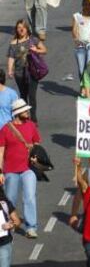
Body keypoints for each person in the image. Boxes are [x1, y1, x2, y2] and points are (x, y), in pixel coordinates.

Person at [0, 99, 38, 238]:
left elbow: (36, 143)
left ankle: (31, 227)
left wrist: (34, 154)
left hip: (28, 169)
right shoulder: (5, 129)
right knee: (10, 199)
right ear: (17, 113)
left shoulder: (31, 126)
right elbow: (1, 152)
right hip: (10, 171)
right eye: (25, 110)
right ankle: (11, 223)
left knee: (30, 197)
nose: (28, 112)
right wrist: (0, 171)